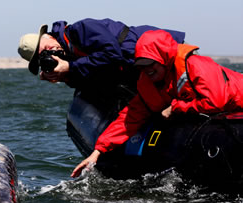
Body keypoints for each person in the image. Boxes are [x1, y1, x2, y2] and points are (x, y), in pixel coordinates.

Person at [71, 29, 243, 178]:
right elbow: (128, 119)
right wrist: (97, 151)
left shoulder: (196, 65)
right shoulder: (148, 83)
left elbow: (216, 101)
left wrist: (175, 107)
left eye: (150, 63)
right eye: (141, 64)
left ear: (164, 57)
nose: (147, 69)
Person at [18, 18, 185, 94]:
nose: (51, 51)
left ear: (48, 36)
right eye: (45, 55)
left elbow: (112, 54)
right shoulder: (70, 58)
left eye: (46, 47)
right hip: (147, 74)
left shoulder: (81, 29)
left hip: (165, 53)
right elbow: (97, 81)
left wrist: (70, 67)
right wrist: (65, 77)